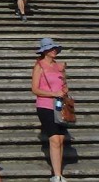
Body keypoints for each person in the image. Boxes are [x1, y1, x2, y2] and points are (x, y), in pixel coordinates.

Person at [32, 37, 71, 182]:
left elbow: (64, 84)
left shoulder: (59, 66)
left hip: (59, 105)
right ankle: (56, 175)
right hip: (45, 105)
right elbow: (35, 89)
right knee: (54, 139)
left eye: (55, 48)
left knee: (60, 139)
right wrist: (53, 93)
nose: (54, 51)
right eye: (51, 48)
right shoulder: (39, 66)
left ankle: (59, 172)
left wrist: (65, 90)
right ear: (45, 51)